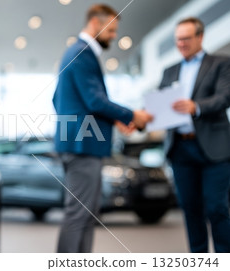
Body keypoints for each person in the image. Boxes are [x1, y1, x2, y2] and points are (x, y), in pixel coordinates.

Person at [52, 4, 152, 253]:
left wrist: (112, 120)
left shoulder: (75, 52)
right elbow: (95, 101)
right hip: (83, 146)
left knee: (85, 214)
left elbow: (58, 99)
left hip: (78, 143)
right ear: (96, 23)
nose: (114, 35)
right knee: (79, 215)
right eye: (112, 30)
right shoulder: (83, 52)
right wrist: (132, 115)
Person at [159, 17, 230, 253]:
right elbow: (160, 106)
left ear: (200, 37)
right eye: (178, 39)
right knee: (190, 209)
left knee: (216, 208)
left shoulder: (221, 63)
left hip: (214, 148)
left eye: (186, 38)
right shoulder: (170, 71)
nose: (181, 44)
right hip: (180, 149)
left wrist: (196, 107)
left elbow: (224, 97)